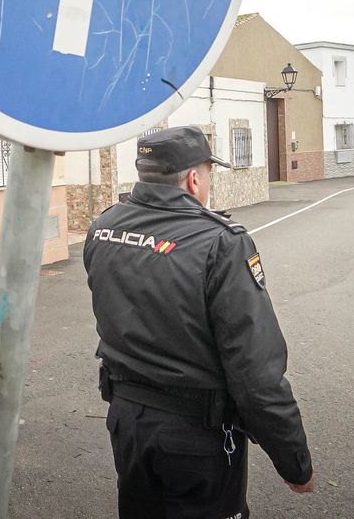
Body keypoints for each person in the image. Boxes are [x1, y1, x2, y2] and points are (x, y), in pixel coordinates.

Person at [84, 126, 314, 519]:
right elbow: (255, 370)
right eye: (207, 174)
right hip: (194, 435)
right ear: (194, 178)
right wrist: (293, 460)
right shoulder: (221, 242)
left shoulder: (104, 227)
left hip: (127, 421)